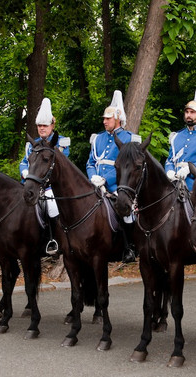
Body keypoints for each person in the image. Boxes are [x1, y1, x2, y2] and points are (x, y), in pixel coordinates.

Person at [86, 90, 141, 263]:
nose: (104, 122)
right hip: (95, 184)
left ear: (117, 119)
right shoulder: (97, 139)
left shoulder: (129, 138)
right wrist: (93, 177)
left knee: (126, 212)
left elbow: (126, 167)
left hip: (117, 186)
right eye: (104, 119)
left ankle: (129, 247)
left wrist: (107, 181)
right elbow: (90, 163)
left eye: (107, 119)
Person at [20, 98, 70, 256]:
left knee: (52, 206)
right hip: (32, 183)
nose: (41, 129)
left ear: (52, 126)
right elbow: (23, 162)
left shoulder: (61, 143)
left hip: (50, 186)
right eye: (39, 126)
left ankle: (53, 239)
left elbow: (61, 165)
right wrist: (25, 172)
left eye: (45, 126)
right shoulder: (32, 144)